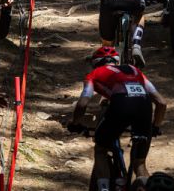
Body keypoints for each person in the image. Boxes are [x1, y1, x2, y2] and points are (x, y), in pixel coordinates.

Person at [68, 45, 166, 188]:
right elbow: (161, 103)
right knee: (139, 163)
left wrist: (75, 123)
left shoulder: (94, 74)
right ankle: (144, 183)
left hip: (121, 104)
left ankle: (104, 187)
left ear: (95, 64)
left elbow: (83, 103)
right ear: (117, 61)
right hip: (144, 106)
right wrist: (155, 127)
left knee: (101, 149)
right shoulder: (135, 70)